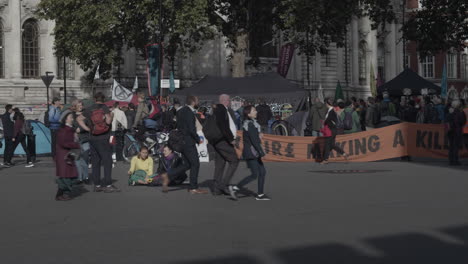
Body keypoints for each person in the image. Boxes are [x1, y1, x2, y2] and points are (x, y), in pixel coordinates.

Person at [77, 92, 120, 193]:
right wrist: (111, 115)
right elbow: (108, 121)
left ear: (94, 99)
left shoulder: (89, 108)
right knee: (107, 161)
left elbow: (79, 119)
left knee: (95, 161)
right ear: (103, 99)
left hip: (92, 137)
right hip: (103, 137)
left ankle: (97, 185)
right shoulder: (104, 108)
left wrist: (88, 129)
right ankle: (108, 184)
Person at [229, 105, 270, 201]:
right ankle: (235, 188)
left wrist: (259, 135)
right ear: (249, 113)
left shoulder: (252, 123)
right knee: (254, 174)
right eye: (254, 110)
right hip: (251, 153)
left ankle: (260, 194)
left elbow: (254, 137)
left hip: (253, 152)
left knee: (262, 172)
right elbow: (254, 140)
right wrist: (261, 152)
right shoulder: (250, 124)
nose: (256, 112)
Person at [176, 95, 208, 194]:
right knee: (195, 164)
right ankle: (193, 187)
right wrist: (198, 139)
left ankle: (168, 175)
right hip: (189, 141)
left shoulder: (180, 110)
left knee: (187, 164)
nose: (198, 102)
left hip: (182, 140)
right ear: (193, 102)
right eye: (197, 100)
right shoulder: (189, 112)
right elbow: (191, 128)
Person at [211, 94, 240, 196]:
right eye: (229, 100)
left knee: (220, 163)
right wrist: (231, 139)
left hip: (218, 140)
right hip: (223, 140)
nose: (230, 102)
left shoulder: (219, 110)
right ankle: (223, 184)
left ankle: (216, 189)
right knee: (234, 160)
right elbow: (223, 126)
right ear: (225, 101)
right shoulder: (221, 109)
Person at [55, 112, 81, 201]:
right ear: (65, 119)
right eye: (70, 117)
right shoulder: (64, 130)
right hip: (64, 155)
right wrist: (75, 145)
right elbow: (63, 143)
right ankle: (61, 194)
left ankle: (63, 193)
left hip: (68, 155)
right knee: (66, 176)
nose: (72, 119)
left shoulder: (69, 129)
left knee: (69, 175)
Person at [321, 98, 349, 164]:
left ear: (326, 104)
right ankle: (344, 153)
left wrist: (325, 122)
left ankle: (325, 159)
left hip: (330, 129)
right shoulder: (333, 110)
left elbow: (329, 120)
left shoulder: (331, 111)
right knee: (332, 145)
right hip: (333, 129)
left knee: (327, 144)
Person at [71, 100, 90, 184]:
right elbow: (69, 126)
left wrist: (81, 128)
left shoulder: (86, 114)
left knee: (85, 159)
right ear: (75, 106)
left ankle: (86, 176)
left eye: (81, 105)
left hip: (85, 139)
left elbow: (90, 125)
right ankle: (80, 177)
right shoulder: (72, 115)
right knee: (77, 159)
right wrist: (75, 130)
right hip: (75, 140)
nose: (80, 106)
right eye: (78, 105)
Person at [446, 100, 466, 166]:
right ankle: (455, 160)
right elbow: (463, 121)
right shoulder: (460, 112)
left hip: (450, 131)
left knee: (451, 146)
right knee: (455, 146)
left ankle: (450, 160)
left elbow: (446, 120)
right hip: (457, 131)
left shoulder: (450, 112)